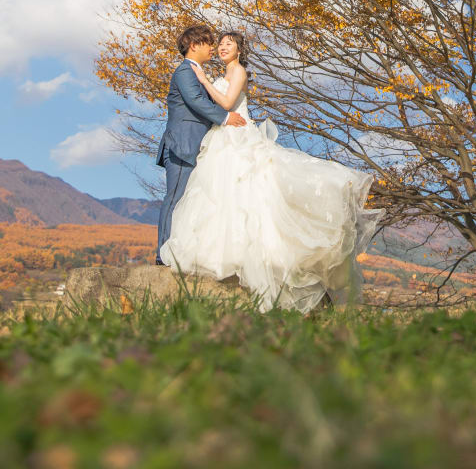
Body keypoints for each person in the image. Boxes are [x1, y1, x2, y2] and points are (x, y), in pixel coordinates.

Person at [159, 30, 383, 312]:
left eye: (229, 44)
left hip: (236, 135)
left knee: (248, 193)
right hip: (221, 137)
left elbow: (227, 104)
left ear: (240, 50)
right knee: (220, 196)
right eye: (220, 44)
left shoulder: (238, 71)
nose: (222, 47)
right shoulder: (202, 72)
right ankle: (221, 254)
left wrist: (204, 81)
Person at [155, 25, 246, 265]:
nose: (213, 48)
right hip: (181, 146)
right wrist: (226, 118)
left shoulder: (199, 73)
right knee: (175, 199)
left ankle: (180, 253)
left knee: (190, 203)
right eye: (208, 43)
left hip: (197, 147)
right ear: (194, 46)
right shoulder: (185, 71)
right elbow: (195, 101)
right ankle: (162, 255)